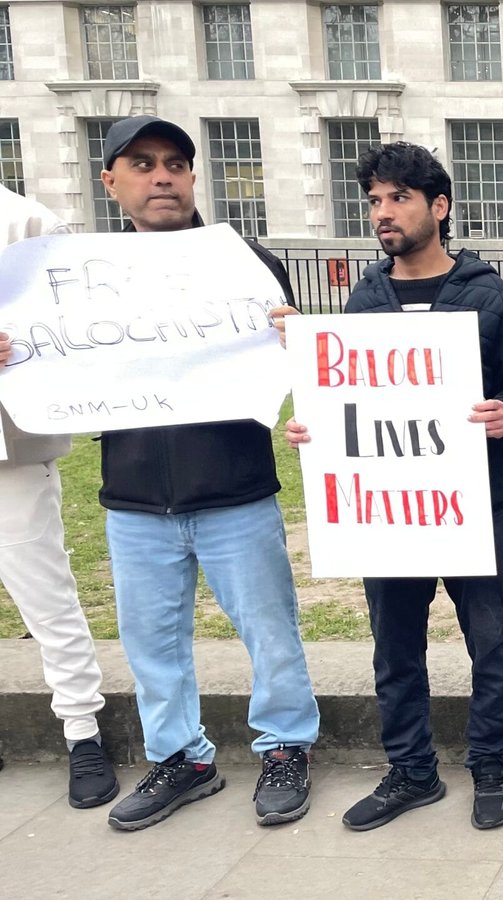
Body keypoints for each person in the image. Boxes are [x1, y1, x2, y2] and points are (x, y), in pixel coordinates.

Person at [284, 142, 503, 832]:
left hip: (469, 505)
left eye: (398, 198)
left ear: (439, 207)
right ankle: (412, 772)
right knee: (394, 647)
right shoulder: (365, 296)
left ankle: (489, 765)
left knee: (490, 640)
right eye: (374, 200)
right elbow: (344, 395)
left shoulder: (487, 294)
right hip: (386, 513)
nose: (383, 212)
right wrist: (316, 429)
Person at [89, 115, 319, 831]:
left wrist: (298, 338)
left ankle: (285, 747)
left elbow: (304, 367)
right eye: (143, 163)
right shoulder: (82, 280)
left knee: (270, 631)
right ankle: (181, 758)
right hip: (132, 498)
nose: (162, 176)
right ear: (112, 181)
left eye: (176, 164)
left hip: (233, 490)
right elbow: (61, 368)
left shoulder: (244, 264)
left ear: (193, 176)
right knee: (151, 643)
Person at [0, 185, 118, 809]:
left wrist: (17, 345)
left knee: (46, 597)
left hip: (9, 448)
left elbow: (70, 325)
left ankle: (82, 732)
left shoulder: (23, 219)